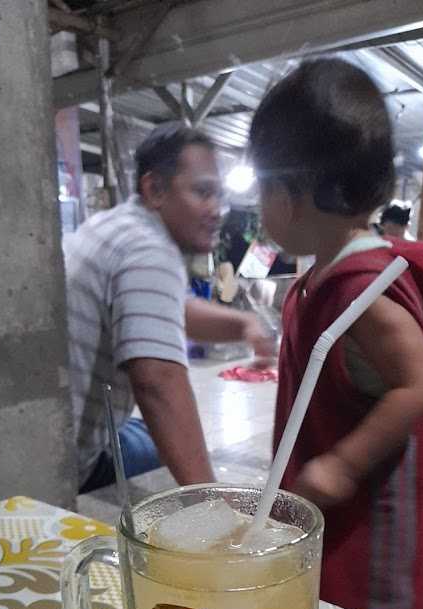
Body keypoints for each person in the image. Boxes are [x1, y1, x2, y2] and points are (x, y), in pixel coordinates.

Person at [249, 58, 423, 609]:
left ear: (291, 194)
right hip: (328, 508)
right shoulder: (321, 280)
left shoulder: (361, 291)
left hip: (374, 525)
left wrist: (344, 463)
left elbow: (419, 384)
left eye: (263, 186)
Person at [65, 124, 275, 493]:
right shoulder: (147, 249)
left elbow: (173, 310)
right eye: (202, 192)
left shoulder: (117, 226)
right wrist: (211, 506)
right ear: (155, 190)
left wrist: (243, 323)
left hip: (51, 432)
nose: (216, 210)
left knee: (150, 434)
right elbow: (158, 382)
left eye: (218, 196)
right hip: (68, 464)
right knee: (162, 445)